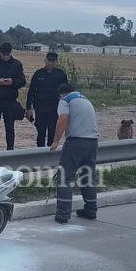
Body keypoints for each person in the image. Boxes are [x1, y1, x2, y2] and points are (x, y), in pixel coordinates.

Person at [50, 81, 99, 223]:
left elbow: (63, 119)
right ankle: (91, 210)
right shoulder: (85, 100)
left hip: (76, 142)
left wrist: (55, 141)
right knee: (87, 176)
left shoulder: (65, 101)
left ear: (61, 94)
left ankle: (63, 215)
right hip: (93, 142)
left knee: (65, 177)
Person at [26, 52, 66, 147]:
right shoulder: (38, 73)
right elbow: (31, 91)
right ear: (45, 60)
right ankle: (40, 153)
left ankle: (50, 154)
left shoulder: (61, 75)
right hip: (40, 108)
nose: (50, 63)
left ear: (56, 62)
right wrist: (28, 108)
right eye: (49, 60)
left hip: (55, 108)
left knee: (52, 132)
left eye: (53, 61)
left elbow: (65, 92)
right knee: (41, 132)